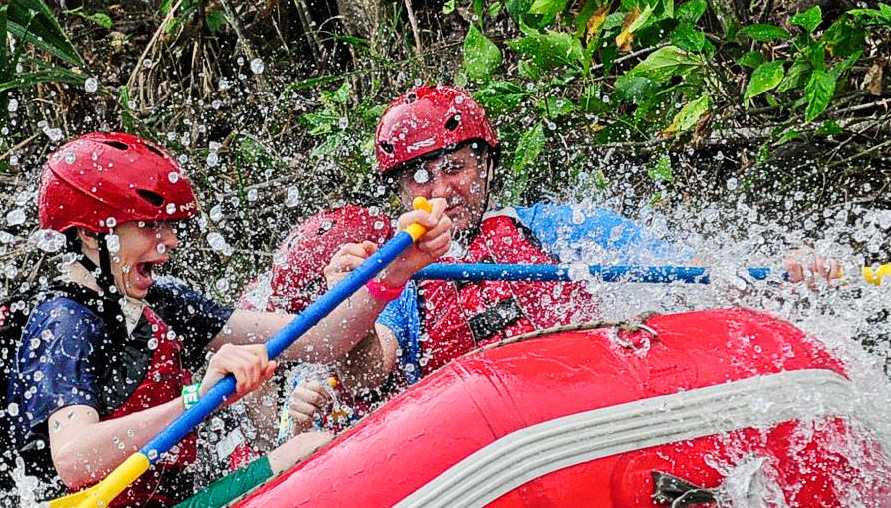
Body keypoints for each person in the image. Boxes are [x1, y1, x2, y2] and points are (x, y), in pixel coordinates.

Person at [0, 130, 450, 508]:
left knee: (309, 444)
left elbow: (319, 338)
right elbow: (74, 458)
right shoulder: (62, 324)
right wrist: (194, 397)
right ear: (91, 238)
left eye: (169, 227)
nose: (169, 242)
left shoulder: (161, 301)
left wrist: (393, 272)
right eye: (149, 227)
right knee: (303, 451)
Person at [293, 86, 843, 415]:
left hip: (580, 402)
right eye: (419, 178)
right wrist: (359, 309)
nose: (440, 192)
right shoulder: (393, 273)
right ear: (401, 193)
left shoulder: (553, 229)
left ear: (485, 167)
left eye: (456, 167)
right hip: (479, 440)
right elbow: (372, 369)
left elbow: (681, 273)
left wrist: (778, 273)